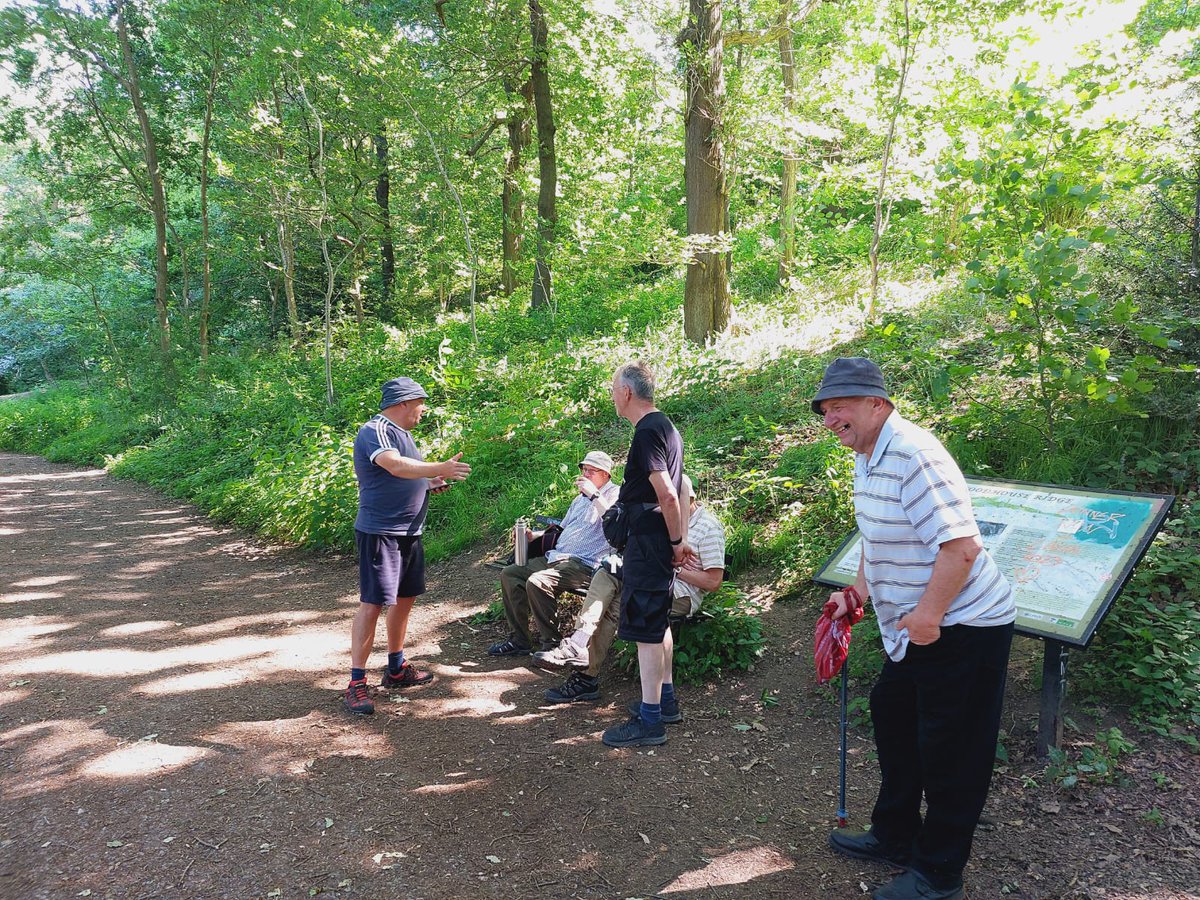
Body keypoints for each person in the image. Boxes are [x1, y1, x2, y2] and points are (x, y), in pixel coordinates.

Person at [814, 357, 1016, 900]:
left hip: (962, 625)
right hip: (915, 628)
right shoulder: (866, 455)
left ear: (878, 405)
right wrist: (856, 592)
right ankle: (895, 834)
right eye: (825, 410)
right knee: (894, 717)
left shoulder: (912, 455)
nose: (831, 419)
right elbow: (874, 540)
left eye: (842, 408)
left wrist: (927, 617)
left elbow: (962, 546)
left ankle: (939, 872)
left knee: (951, 748)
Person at [539, 477, 725, 715]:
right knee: (606, 573)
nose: (664, 506)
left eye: (668, 501)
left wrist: (672, 566)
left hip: (679, 594)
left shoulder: (708, 527)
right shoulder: (668, 519)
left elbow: (713, 582)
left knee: (615, 607)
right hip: (650, 581)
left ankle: (586, 678)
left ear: (688, 499)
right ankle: (579, 639)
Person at [344, 377, 472, 716]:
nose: (424, 409)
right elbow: (394, 465)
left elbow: (405, 475)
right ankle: (357, 681)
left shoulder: (405, 435)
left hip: (408, 532)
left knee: (405, 598)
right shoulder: (377, 430)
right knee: (373, 603)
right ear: (403, 402)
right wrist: (439, 466)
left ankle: (396, 668)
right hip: (381, 531)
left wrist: (428, 482)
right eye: (420, 403)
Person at [597, 361, 692, 748]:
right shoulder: (665, 427)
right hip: (658, 540)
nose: (611, 395)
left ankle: (650, 720)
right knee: (657, 623)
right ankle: (664, 702)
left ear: (627, 393)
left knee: (644, 630)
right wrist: (677, 538)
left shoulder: (648, 431)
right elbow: (682, 486)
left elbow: (668, 492)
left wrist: (674, 543)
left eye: (613, 388)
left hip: (650, 542)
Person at [487, 450, 620, 657]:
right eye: (583, 469)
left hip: (584, 565)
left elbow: (615, 524)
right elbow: (563, 530)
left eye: (591, 471)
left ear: (605, 474)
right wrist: (533, 536)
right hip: (557, 557)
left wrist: (595, 495)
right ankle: (520, 640)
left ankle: (552, 644)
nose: (585, 475)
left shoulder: (615, 495)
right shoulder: (579, 500)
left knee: (538, 581)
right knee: (511, 574)